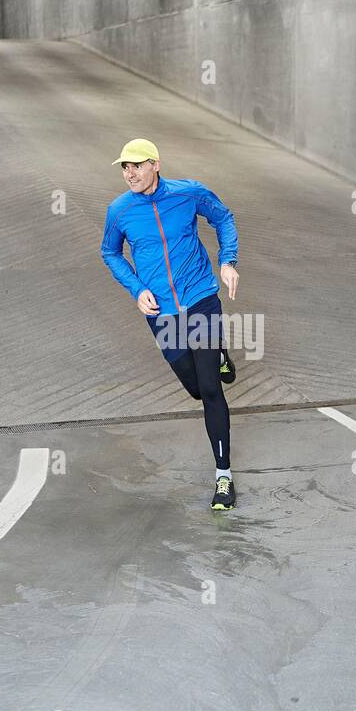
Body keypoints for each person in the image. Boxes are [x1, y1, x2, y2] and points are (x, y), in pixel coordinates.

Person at [100, 138, 241, 510]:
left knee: (211, 389)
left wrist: (228, 260)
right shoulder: (119, 211)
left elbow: (223, 217)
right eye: (124, 167)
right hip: (162, 312)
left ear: (156, 164)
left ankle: (223, 477)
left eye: (137, 165)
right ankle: (221, 356)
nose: (129, 173)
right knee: (194, 387)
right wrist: (137, 288)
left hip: (200, 299)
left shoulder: (188, 193)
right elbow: (110, 252)